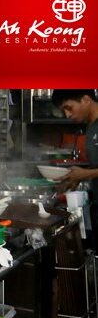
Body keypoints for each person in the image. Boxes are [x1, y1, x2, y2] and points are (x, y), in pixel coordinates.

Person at [53, 89, 98, 246]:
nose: (67, 115)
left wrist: (85, 174)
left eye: (69, 107)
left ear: (86, 99)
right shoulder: (91, 126)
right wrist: (77, 180)